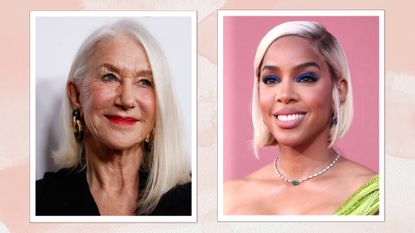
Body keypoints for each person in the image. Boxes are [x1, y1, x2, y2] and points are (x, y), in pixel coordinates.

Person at [36, 20, 192, 216]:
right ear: (76, 95)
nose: (127, 100)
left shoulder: (198, 201)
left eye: (144, 81)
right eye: (110, 77)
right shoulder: (36, 203)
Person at [224, 21, 379, 215]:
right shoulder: (227, 197)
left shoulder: (377, 197)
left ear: (339, 90)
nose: (285, 94)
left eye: (305, 78)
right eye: (271, 80)